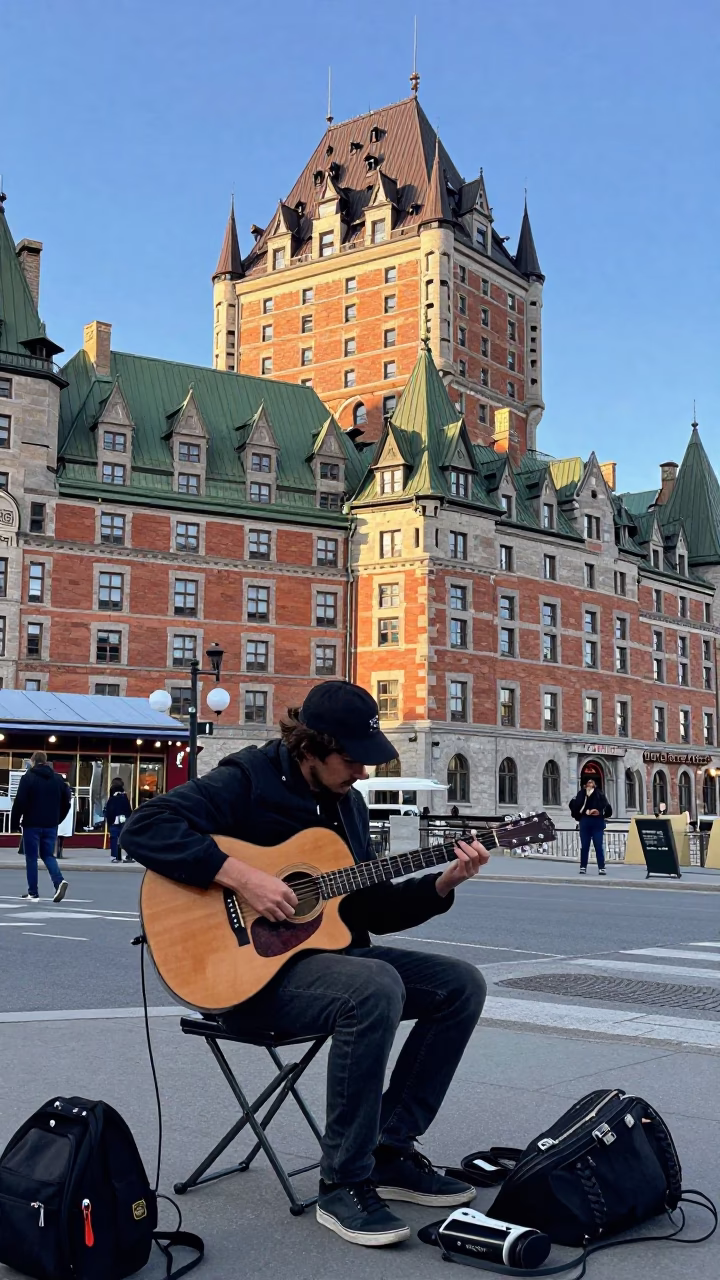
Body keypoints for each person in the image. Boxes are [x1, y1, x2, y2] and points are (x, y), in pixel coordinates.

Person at [122, 681, 489, 1249]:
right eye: (351, 760)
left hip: (326, 967)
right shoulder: (247, 777)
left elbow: (370, 909)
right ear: (310, 748)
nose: (361, 774)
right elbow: (144, 827)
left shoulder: (350, 806)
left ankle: (389, 1149)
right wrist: (243, 876)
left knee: (460, 984)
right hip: (243, 981)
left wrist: (443, 883)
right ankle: (344, 1181)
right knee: (374, 985)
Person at [11, 750, 71, 902]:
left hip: (32, 823)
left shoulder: (28, 778)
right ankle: (59, 881)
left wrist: (15, 822)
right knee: (48, 855)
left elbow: (20, 802)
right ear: (46, 761)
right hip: (51, 824)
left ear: (32, 761)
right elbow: (66, 802)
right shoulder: (58, 780)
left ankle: (33, 891)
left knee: (31, 858)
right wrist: (58, 818)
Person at [569, 777, 613, 875]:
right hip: (585, 822)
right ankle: (583, 867)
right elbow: (574, 805)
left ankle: (601, 867)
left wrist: (599, 812)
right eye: (588, 782)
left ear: (595, 785)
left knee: (598, 846)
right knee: (584, 846)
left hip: (597, 822)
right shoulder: (581, 794)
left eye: (592, 782)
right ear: (585, 785)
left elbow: (607, 808)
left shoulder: (600, 794)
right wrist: (583, 811)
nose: (590, 784)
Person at [104, 778, 133, 863]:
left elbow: (110, 809)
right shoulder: (123, 796)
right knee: (125, 838)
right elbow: (128, 809)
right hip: (123, 819)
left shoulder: (112, 796)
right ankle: (128, 856)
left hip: (114, 821)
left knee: (114, 839)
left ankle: (114, 856)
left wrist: (109, 820)